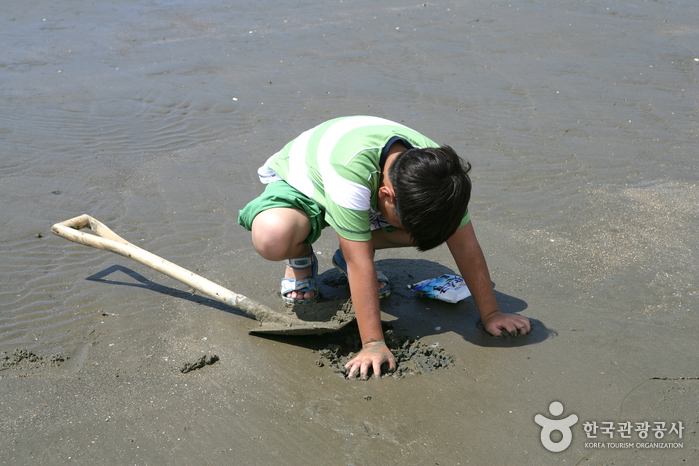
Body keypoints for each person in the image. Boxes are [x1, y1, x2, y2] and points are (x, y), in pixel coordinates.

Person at [238, 116, 530, 379]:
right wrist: (373, 344)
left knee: (435, 228)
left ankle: (353, 243)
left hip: (372, 197)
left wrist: (491, 313)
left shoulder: (443, 178)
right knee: (272, 237)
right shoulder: (348, 176)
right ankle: (300, 255)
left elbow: (465, 243)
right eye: (403, 220)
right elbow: (359, 262)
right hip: (307, 182)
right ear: (385, 195)